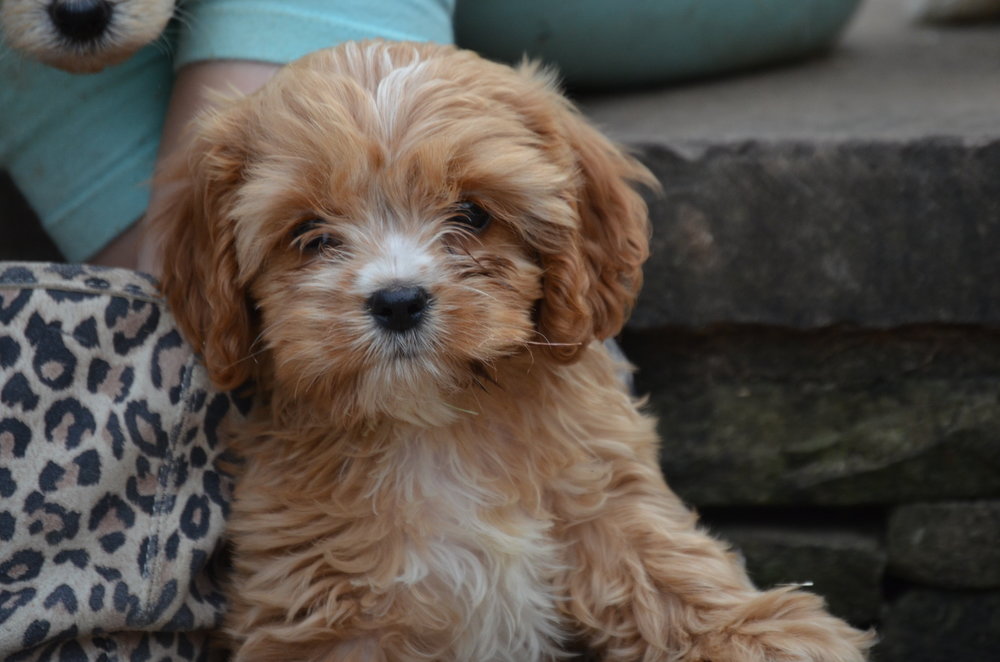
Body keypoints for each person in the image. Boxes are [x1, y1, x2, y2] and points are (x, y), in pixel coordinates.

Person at [0, 1, 860, 658]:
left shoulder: (583, 442)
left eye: (471, 220)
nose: (397, 281)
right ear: (227, 276)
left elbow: (672, 596)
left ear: (565, 241)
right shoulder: (301, 511)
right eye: (312, 238)